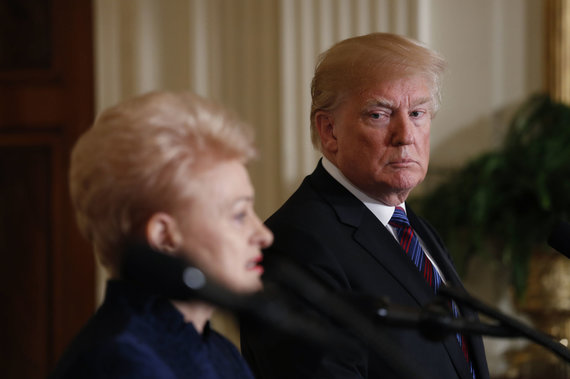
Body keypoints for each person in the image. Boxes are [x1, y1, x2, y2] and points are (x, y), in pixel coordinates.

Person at [240, 33, 490, 379]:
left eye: (417, 112)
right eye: (378, 114)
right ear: (329, 131)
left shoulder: (412, 227)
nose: (406, 134)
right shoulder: (297, 243)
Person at [51, 91, 273, 378]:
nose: (264, 235)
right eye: (239, 215)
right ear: (163, 236)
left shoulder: (219, 350)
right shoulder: (122, 360)